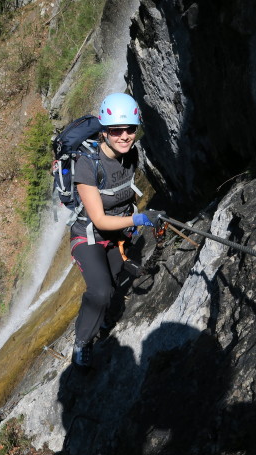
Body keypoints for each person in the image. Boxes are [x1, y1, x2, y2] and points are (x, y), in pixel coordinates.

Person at [70, 92, 163, 367]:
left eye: (130, 129)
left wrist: (133, 222)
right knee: (101, 292)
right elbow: (99, 220)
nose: (124, 136)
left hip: (116, 235)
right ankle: (81, 342)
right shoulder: (87, 165)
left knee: (113, 284)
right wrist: (138, 221)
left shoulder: (131, 154)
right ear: (104, 131)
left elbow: (125, 194)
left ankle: (99, 322)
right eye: (116, 130)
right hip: (88, 236)